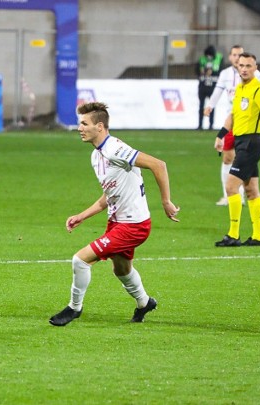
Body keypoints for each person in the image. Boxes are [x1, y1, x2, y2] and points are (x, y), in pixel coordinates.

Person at [49, 102, 180, 327]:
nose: (79, 128)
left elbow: (159, 165)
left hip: (133, 226)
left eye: (84, 123)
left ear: (99, 126)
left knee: (80, 260)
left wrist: (166, 201)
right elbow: (108, 195)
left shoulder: (115, 149)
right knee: (121, 269)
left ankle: (74, 308)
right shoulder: (96, 156)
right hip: (117, 222)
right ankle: (144, 302)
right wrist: (82, 215)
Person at [215, 52, 260, 247]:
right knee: (251, 190)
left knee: (231, 187)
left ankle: (233, 235)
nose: (244, 69)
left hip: (252, 143)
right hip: (241, 142)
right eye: (241, 65)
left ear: (255, 68)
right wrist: (221, 135)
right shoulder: (239, 88)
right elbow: (233, 115)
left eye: (248, 66)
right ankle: (258, 236)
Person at [204, 44, 260, 206]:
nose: (237, 58)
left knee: (243, 158)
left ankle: (242, 193)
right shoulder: (225, 74)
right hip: (232, 121)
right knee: (228, 157)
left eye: (240, 55)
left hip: (248, 124)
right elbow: (218, 90)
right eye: (234, 55)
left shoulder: (255, 76)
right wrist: (210, 105)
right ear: (230, 57)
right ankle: (228, 195)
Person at [197, 45, 223, 130]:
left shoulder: (219, 58)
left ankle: (211, 125)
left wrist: (213, 72)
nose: (209, 57)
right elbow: (196, 70)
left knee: (211, 107)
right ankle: (200, 125)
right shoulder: (202, 59)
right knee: (201, 106)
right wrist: (203, 71)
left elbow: (221, 71)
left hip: (213, 87)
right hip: (203, 86)